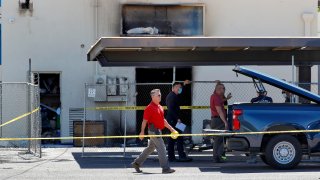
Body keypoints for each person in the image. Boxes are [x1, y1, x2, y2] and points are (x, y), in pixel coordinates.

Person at [131, 89, 176, 174]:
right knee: (162, 148)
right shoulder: (149, 108)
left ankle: (136, 163)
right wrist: (142, 132)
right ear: (152, 96)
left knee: (150, 148)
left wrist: (171, 129)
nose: (160, 96)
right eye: (158, 95)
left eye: (160, 95)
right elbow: (144, 121)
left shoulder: (160, 107)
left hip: (158, 130)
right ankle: (165, 168)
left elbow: (163, 120)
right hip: (153, 131)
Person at [166, 81, 192, 162]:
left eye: (180, 87)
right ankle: (178, 156)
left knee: (177, 138)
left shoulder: (175, 96)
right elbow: (171, 109)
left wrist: (184, 85)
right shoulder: (172, 96)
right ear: (173, 87)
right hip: (173, 121)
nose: (179, 89)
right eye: (178, 87)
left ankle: (175, 156)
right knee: (176, 138)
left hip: (175, 120)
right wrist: (177, 118)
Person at [210, 83, 228, 163]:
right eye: (222, 88)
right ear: (218, 89)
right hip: (218, 120)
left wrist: (227, 98)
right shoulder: (216, 97)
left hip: (216, 120)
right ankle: (216, 157)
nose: (223, 90)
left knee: (219, 140)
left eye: (224, 88)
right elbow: (219, 110)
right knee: (218, 140)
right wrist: (225, 122)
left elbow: (221, 101)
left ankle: (218, 157)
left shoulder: (215, 96)